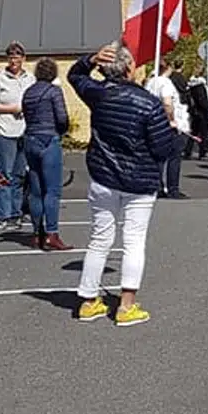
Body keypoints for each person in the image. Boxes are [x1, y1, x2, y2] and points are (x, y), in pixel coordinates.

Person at [68, 44, 175, 326]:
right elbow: (163, 148)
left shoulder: (98, 93)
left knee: (100, 238)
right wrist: (169, 129)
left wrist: (89, 60)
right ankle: (126, 305)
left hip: (104, 176)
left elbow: (74, 76)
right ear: (129, 69)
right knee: (134, 241)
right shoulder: (148, 103)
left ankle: (88, 301)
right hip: (139, 180)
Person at [20, 57, 71, 250]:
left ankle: (36, 234)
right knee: (52, 190)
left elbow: (25, 114)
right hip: (49, 139)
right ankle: (51, 233)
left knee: (36, 190)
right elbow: (62, 117)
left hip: (30, 138)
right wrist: (62, 130)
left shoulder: (28, 92)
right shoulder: (53, 91)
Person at [0, 42, 32, 229]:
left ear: (23, 58)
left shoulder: (30, 78)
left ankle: (16, 212)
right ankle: (3, 215)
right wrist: (9, 109)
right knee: (4, 173)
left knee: (19, 175)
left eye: (17, 56)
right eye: (11, 57)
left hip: (24, 131)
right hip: (5, 132)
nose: (14, 60)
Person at [146, 56, 187, 199]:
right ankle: (173, 188)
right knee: (174, 156)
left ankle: (157, 186)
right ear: (168, 68)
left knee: (158, 158)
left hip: (154, 123)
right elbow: (168, 102)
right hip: (167, 124)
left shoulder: (150, 82)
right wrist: (172, 120)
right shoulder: (166, 83)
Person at [184, 73, 208, 159]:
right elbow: (203, 101)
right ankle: (202, 152)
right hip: (202, 113)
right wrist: (207, 109)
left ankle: (188, 151)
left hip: (194, 112)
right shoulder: (200, 88)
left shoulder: (190, 88)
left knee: (193, 132)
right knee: (203, 133)